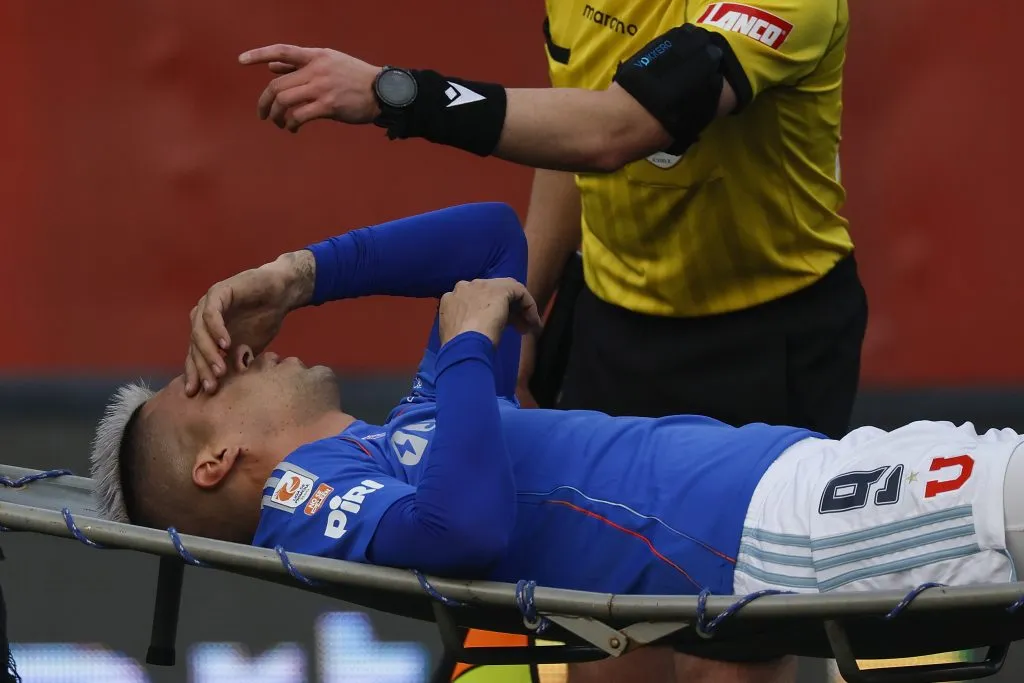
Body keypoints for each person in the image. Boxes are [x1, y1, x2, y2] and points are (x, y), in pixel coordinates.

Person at [92, 205, 1016, 681]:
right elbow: (463, 534)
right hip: (779, 536)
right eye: (202, 382)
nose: (239, 352)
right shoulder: (307, 499)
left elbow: (493, 236)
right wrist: (462, 344)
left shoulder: (411, 428)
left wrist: (300, 274)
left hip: (810, 479)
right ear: (217, 464)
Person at [236, 6, 866, 679]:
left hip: (768, 335)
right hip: (613, 320)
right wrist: (523, 303)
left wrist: (395, 93)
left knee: (726, 660)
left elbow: (617, 129)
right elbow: (570, 137)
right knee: (601, 646)